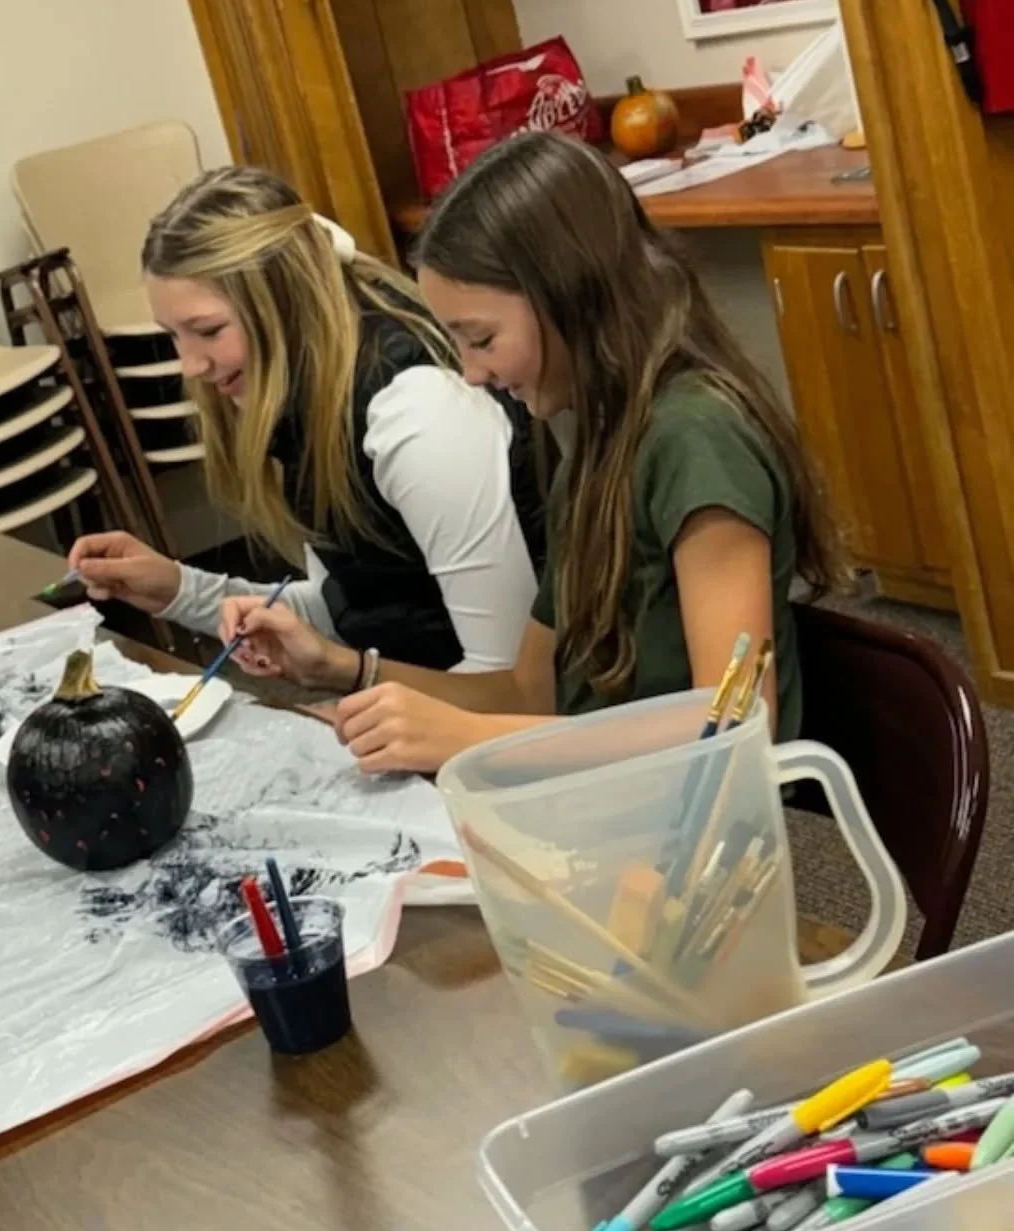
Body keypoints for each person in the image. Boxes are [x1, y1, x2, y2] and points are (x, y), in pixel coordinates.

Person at [219, 131, 847, 774]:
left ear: (566, 296)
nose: (470, 373)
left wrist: (470, 739)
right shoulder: (597, 443)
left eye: (482, 338)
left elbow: (736, 723)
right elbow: (529, 692)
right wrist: (342, 667)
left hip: (695, 832)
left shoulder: (696, 440)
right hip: (609, 800)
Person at [68, 165, 547, 675]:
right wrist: (179, 589)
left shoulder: (418, 417)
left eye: (207, 330)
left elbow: (510, 680)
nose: (191, 365)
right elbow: (349, 609)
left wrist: (350, 679)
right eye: (173, 335)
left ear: (285, 304)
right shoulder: (307, 404)